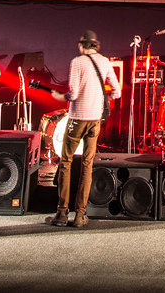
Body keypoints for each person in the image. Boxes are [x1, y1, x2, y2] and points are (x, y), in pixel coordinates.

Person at [48, 29, 121, 228]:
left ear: (82, 45)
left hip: (77, 118)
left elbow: (73, 93)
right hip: (95, 120)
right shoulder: (105, 62)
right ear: (96, 45)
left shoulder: (77, 62)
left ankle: (62, 213)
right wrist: (101, 98)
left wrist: (59, 96)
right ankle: (80, 215)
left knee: (66, 162)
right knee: (87, 165)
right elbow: (117, 90)